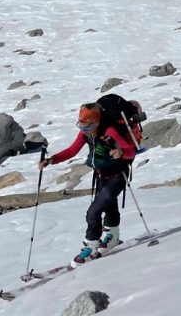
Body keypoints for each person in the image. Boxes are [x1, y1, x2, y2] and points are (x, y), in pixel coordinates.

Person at [40, 101, 136, 264]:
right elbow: (72, 151)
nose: (83, 129)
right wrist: (51, 160)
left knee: (93, 212)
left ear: (96, 122)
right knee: (109, 206)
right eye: (80, 125)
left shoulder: (110, 131)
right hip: (101, 175)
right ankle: (113, 236)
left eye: (86, 126)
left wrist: (121, 152)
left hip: (118, 175)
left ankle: (91, 247)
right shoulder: (86, 133)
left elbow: (131, 151)